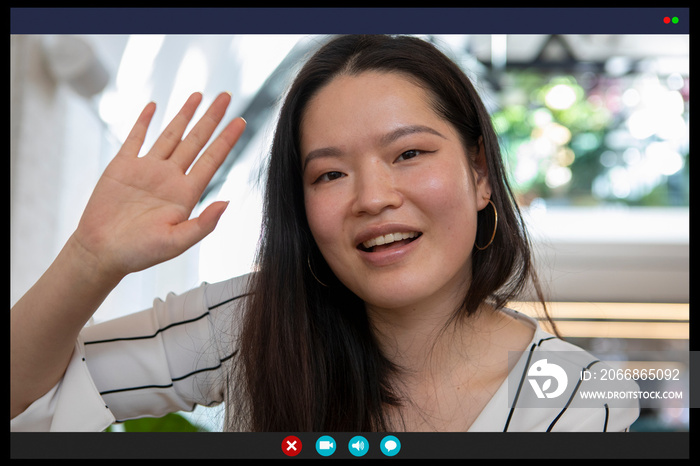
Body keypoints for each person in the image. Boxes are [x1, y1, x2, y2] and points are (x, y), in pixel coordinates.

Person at [10, 34, 639, 432]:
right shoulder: (251, 321)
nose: (372, 198)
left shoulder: (575, 398)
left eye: (409, 154)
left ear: (479, 174)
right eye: (330, 173)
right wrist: (91, 259)